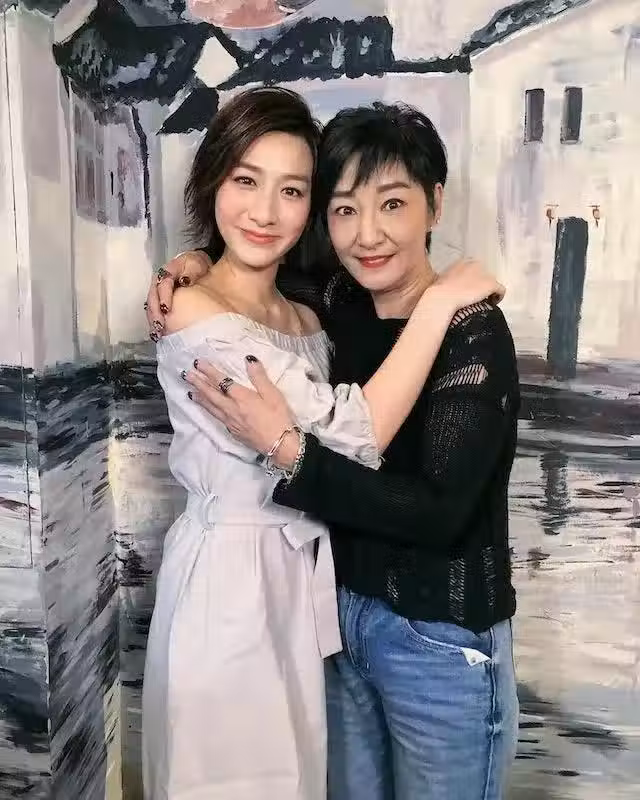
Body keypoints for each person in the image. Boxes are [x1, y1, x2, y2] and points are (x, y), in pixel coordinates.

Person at [142, 87, 504, 800]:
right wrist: (439, 303)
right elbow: (350, 432)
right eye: (245, 181)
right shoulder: (201, 308)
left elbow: (434, 505)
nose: (265, 211)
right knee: (226, 777)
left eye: (291, 190)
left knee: (293, 777)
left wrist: (196, 256)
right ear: (212, 181)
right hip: (232, 585)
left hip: (333, 599)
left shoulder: (315, 307)